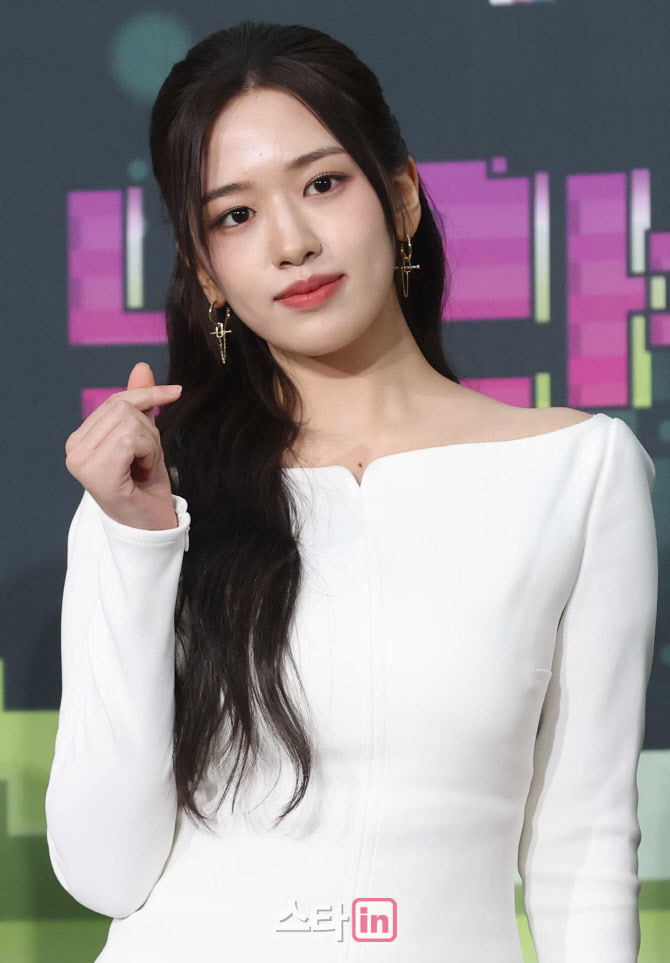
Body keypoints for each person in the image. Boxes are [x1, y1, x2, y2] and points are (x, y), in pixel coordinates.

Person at [45, 19, 658, 963]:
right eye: (235, 216)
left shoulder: (577, 471)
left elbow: (584, 847)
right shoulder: (152, 491)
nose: (292, 242)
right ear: (206, 271)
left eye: (323, 184)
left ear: (401, 197)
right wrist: (137, 541)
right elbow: (103, 870)